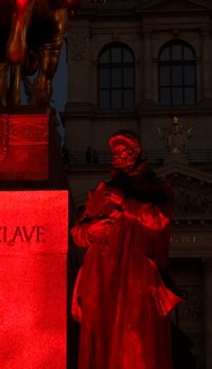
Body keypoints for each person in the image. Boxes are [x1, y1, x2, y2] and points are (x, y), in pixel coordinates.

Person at [71, 130, 182, 369]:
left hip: (135, 279)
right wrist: (91, 229)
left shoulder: (155, 188)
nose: (118, 156)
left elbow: (159, 220)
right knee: (103, 344)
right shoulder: (102, 192)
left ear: (136, 153)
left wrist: (127, 204)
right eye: (115, 152)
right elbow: (77, 234)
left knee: (136, 344)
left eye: (124, 151)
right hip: (101, 279)